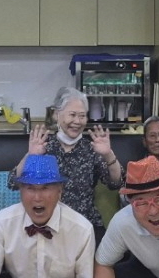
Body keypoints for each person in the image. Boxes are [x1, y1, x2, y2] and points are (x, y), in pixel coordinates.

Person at [10, 87, 123, 240]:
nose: (77, 121)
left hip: (85, 225)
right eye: (72, 115)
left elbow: (116, 183)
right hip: (48, 226)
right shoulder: (44, 146)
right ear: (57, 115)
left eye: (82, 116)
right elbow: (13, 183)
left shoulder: (91, 148)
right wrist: (30, 155)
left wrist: (108, 154)